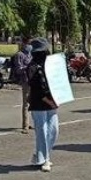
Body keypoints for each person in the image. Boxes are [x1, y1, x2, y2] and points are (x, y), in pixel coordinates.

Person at [27, 38, 58, 172]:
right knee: (42, 131)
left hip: (52, 102)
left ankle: (40, 155)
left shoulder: (52, 65)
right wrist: (48, 99)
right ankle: (45, 159)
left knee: (54, 130)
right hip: (39, 103)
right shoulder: (32, 67)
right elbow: (36, 87)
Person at [12, 39, 34, 133]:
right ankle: (25, 125)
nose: (30, 46)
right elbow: (18, 69)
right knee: (26, 103)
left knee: (34, 103)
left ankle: (32, 123)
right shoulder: (19, 55)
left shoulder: (31, 54)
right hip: (25, 81)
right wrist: (28, 67)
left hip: (33, 80)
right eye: (28, 44)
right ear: (24, 44)